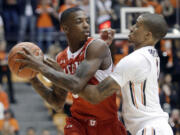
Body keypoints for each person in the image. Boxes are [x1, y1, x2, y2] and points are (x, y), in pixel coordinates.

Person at [16, 7, 127, 135]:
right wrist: (33, 78)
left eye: (87, 21)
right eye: (79, 21)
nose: (86, 25)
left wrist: (40, 66)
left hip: (106, 124)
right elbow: (57, 102)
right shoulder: (60, 58)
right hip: (78, 124)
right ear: (65, 28)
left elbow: (76, 84)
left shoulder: (96, 46)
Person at [71, 13, 173, 135]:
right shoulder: (151, 55)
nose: (131, 27)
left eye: (137, 25)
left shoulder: (136, 59)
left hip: (151, 128)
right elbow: (116, 72)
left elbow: (96, 94)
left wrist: (70, 83)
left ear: (147, 35)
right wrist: (104, 47)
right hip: (155, 127)